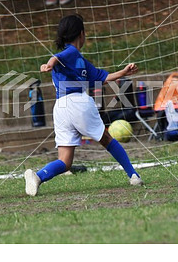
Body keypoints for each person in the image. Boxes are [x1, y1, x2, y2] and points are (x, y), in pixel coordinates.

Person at [24, 14, 144, 196]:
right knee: (106, 139)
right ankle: (133, 175)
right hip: (78, 102)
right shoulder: (71, 53)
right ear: (82, 33)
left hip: (61, 108)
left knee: (65, 161)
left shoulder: (80, 61)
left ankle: (37, 177)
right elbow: (57, 57)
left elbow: (102, 77)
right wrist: (48, 64)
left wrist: (124, 71)